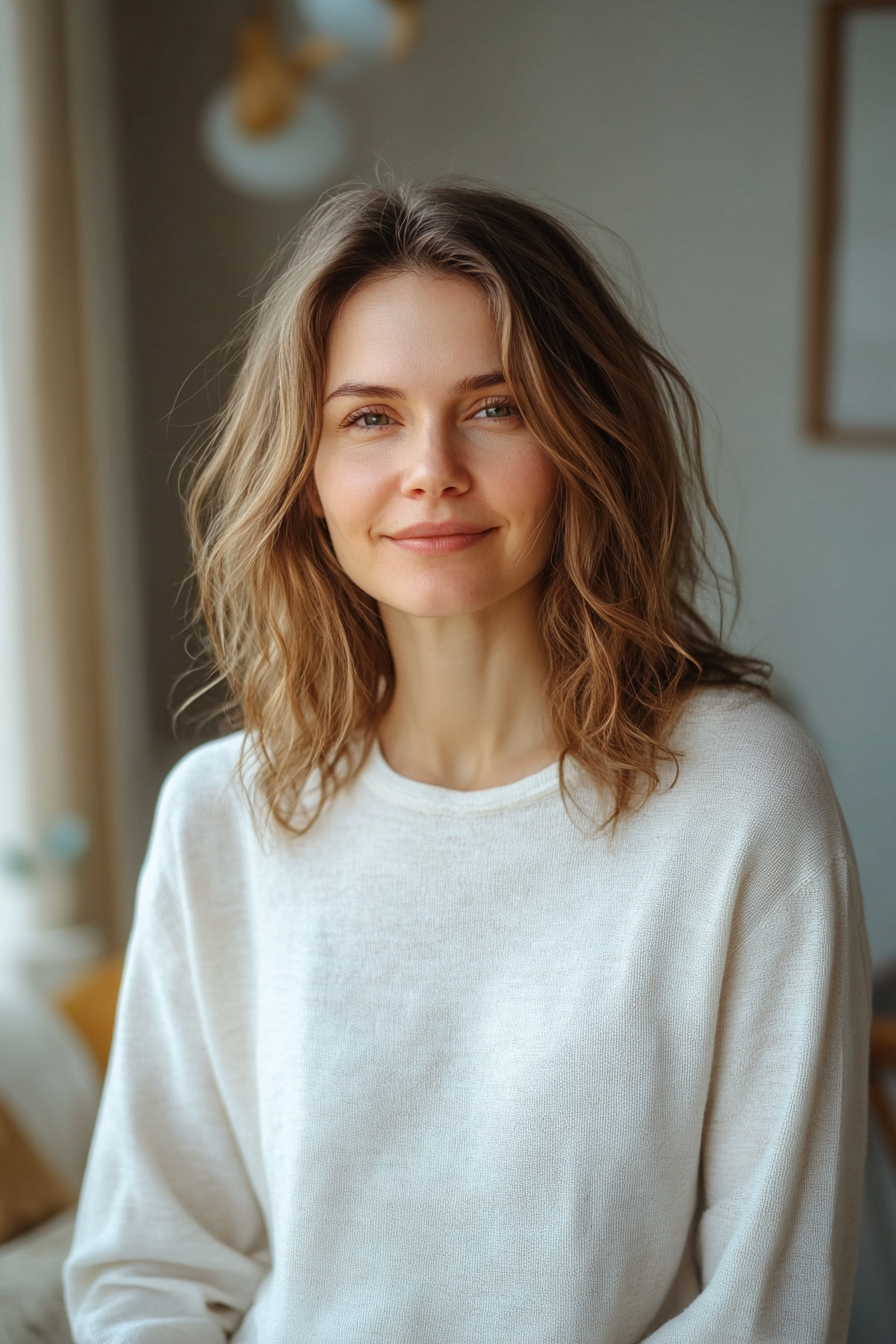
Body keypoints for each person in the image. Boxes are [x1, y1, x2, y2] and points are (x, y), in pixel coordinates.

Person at [64, 182, 870, 1343]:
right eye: (369, 418)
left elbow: (768, 1307)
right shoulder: (220, 818)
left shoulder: (742, 795)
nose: (430, 468)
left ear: (580, 436)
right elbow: (146, 1270)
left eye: (493, 408)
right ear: (306, 473)